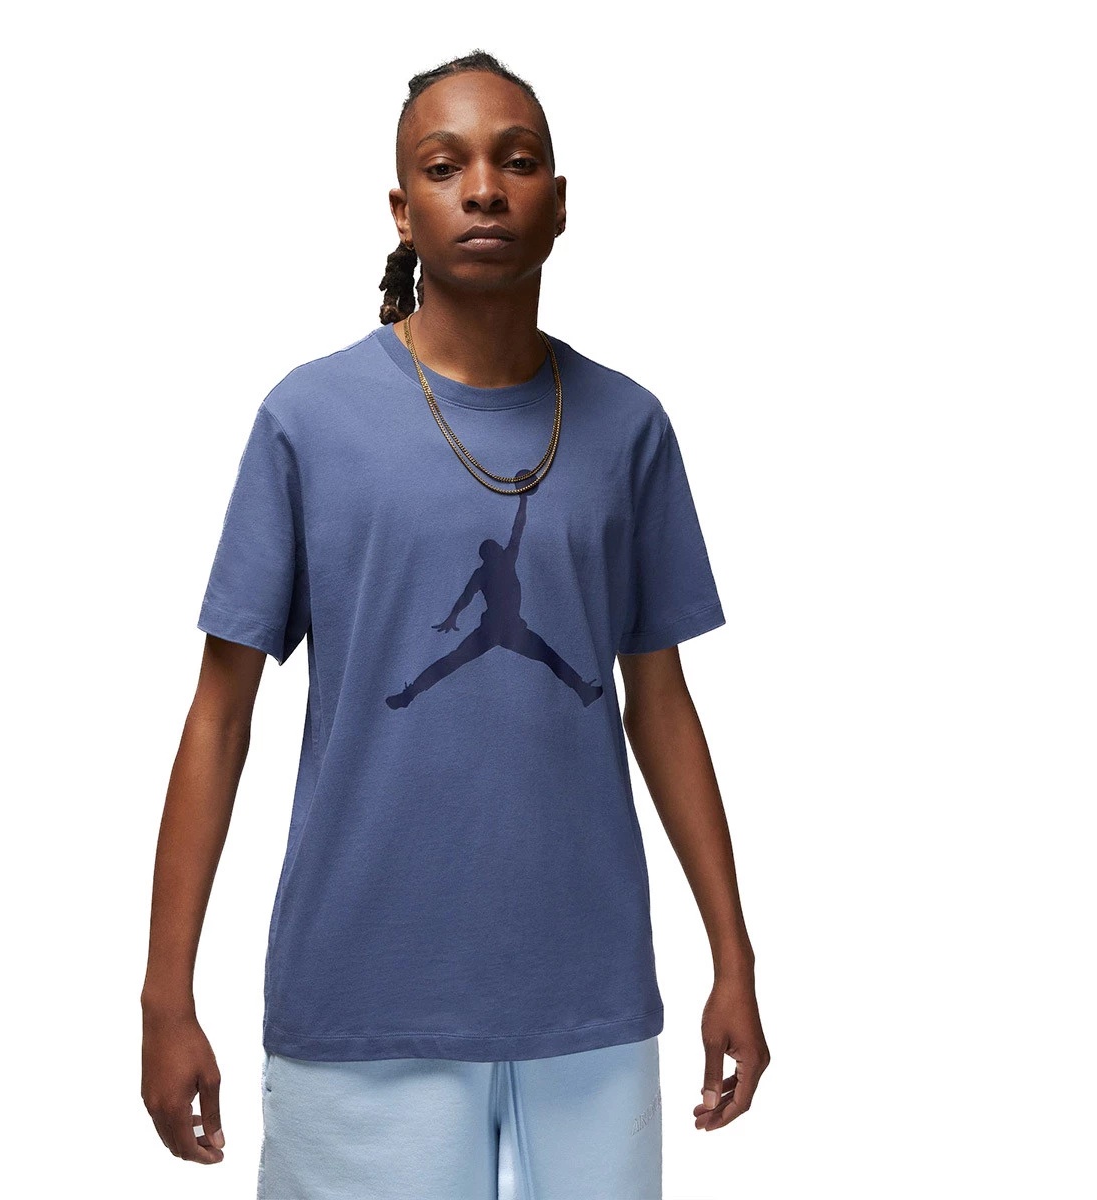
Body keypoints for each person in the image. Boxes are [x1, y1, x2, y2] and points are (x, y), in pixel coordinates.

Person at [140, 48, 769, 1200]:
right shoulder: (309, 419)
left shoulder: (628, 427)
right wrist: (164, 996)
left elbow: (663, 704)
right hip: (362, 1007)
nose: (483, 188)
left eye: (515, 162)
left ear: (559, 203)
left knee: (552, 664)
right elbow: (220, 715)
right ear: (403, 208)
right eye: (446, 166)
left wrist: (734, 959)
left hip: (588, 1012)